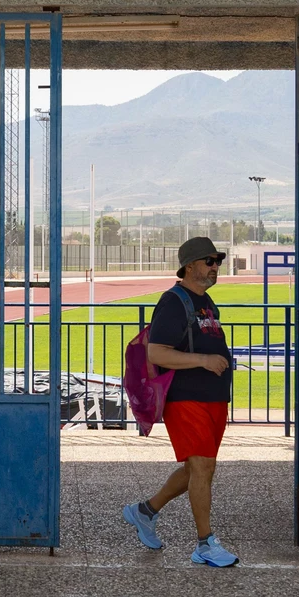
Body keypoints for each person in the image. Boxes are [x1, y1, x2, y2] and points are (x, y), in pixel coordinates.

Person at [122, 236, 239, 567]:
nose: (217, 266)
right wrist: (203, 361)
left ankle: (144, 511)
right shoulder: (174, 301)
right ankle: (205, 544)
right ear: (190, 266)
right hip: (187, 399)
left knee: (198, 468)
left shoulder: (206, 302)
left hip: (213, 398)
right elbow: (156, 351)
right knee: (202, 466)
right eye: (210, 261)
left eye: (218, 260)